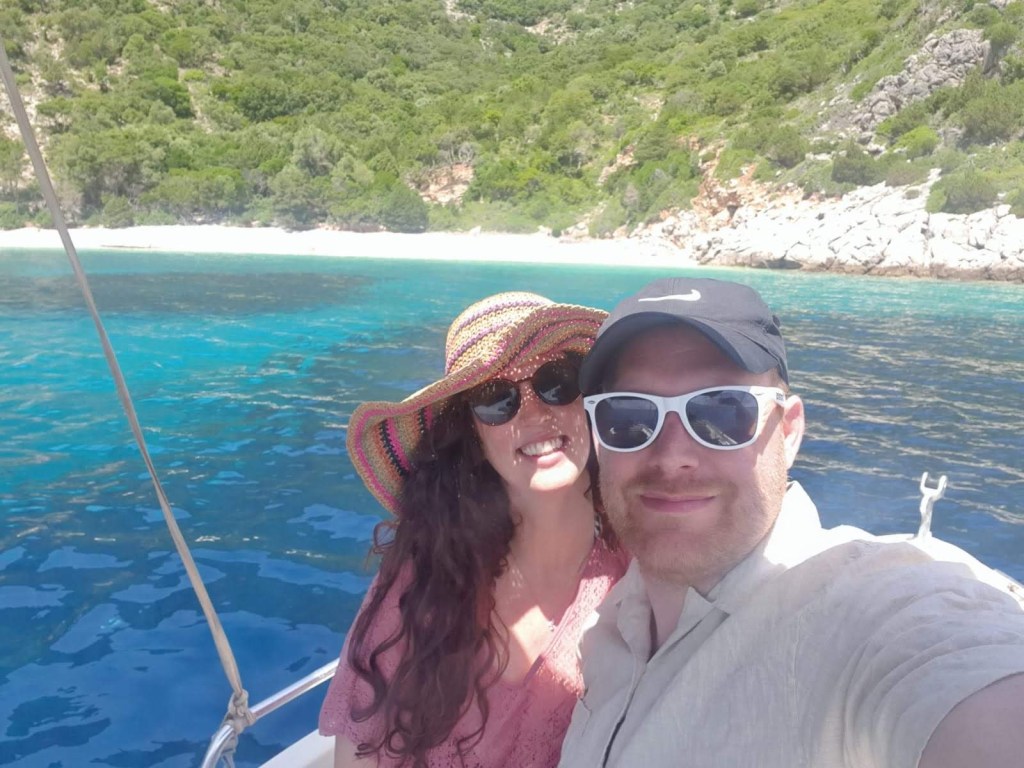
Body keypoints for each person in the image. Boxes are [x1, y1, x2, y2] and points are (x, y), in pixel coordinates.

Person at [557, 277, 1024, 768]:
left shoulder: (871, 610)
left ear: (790, 431)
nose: (673, 457)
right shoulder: (606, 628)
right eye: (628, 417)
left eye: (722, 413)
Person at [319, 292, 628, 768]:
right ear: (473, 435)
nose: (533, 413)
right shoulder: (424, 578)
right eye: (496, 399)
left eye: (556, 383)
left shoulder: (642, 572)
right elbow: (360, 755)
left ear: (588, 398)